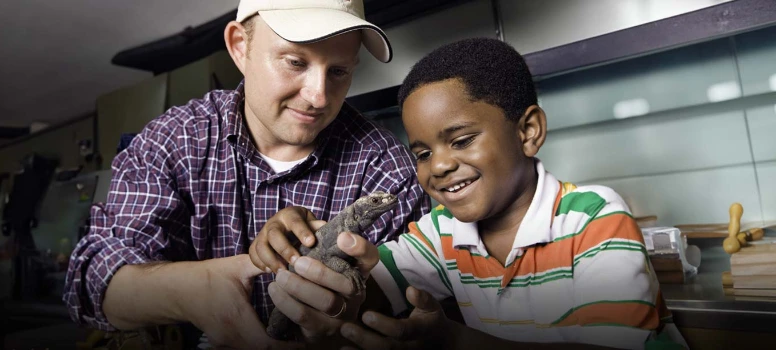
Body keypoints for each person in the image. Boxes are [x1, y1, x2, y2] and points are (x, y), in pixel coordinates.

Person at [252, 38, 688, 349]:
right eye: (422, 153)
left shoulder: (594, 219)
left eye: (460, 141)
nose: (438, 165)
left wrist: (458, 342)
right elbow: (366, 292)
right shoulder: (440, 233)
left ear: (528, 131)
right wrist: (324, 263)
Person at [62, 0, 430, 348]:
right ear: (240, 47)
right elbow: (91, 279)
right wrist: (194, 289)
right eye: (295, 62)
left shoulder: (386, 166)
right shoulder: (173, 139)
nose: (319, 96)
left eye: (338, 71)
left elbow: (421, 303)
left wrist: (362, 312)